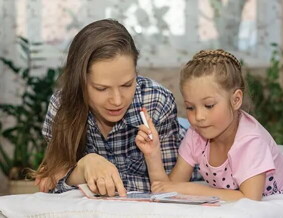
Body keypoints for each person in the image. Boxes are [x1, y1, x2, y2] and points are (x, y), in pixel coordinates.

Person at [34, 19, 186, 196]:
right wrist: (85, 166)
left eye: (127, 84)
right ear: (80, 83)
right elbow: (51, 183)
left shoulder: (156, 101)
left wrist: (86, 177)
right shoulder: (62, 106)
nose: (117, 100)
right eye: (102, 88)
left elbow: (171, 186)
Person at [135, 49, 283, 201]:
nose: (198, 117)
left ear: (236, 100)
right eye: (190, 107)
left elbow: (250, 199)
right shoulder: (196, 134)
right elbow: (168, 189)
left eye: (209, 105)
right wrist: (152, 154)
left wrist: (190, 188)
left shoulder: (251, 141)